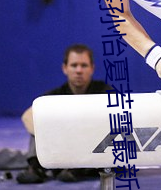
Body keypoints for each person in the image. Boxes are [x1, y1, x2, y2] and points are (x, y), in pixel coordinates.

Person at [16, 44, 111, 184]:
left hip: (92, 153)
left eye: (84, 65)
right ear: (65, 68)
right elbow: (27, 116)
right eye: (74, 65)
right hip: (61, 149)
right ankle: (35, 168)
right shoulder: (55, 96)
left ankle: (76, 169)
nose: (79, 70)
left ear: (92, 69)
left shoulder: (105, 92)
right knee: (39, 119)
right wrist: (56, 135)